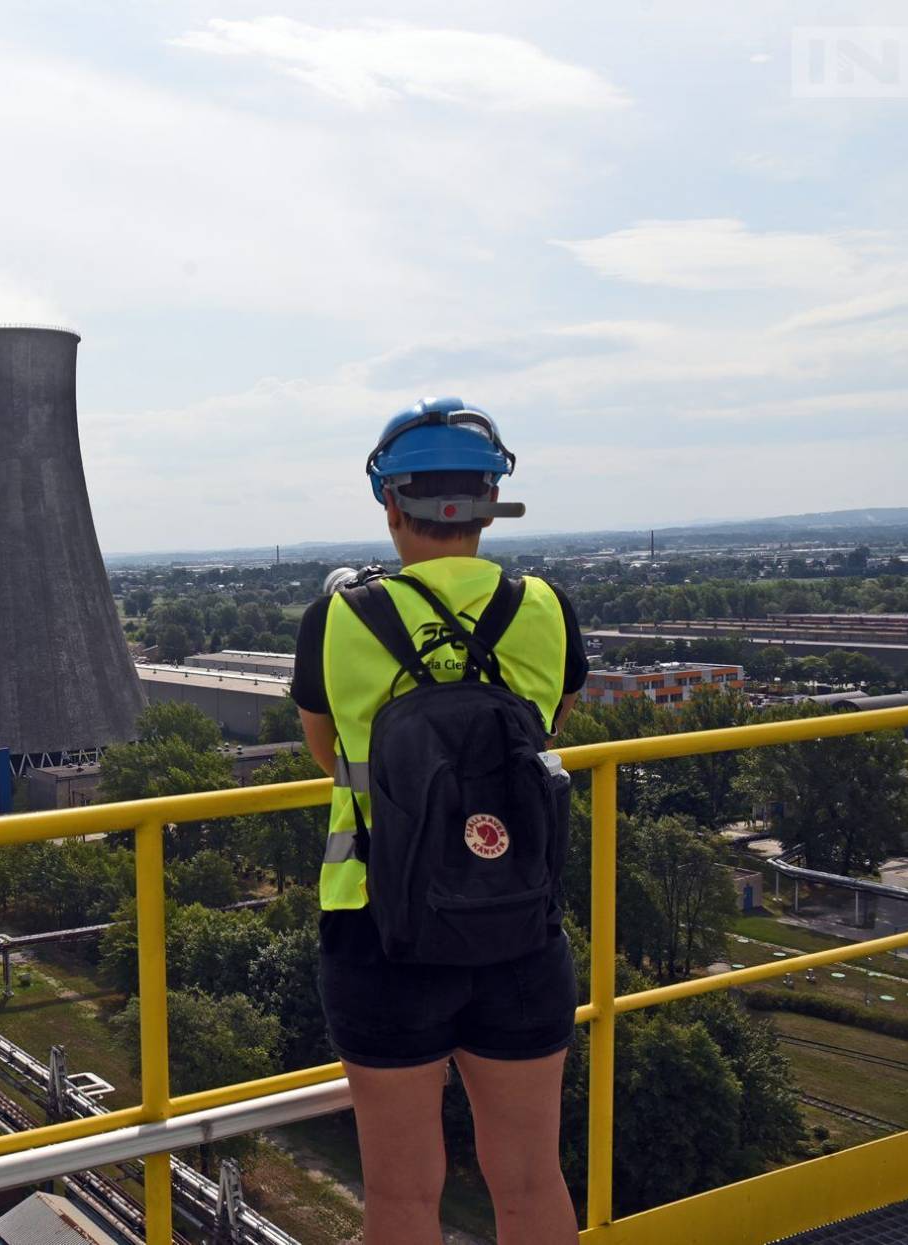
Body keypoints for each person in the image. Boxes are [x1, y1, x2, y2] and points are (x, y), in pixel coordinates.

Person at [289, 397, 587, 1245]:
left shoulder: (336, 620)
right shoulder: (547, 609)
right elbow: (548, 726)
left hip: (379, 926)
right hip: (518, 920)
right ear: (493, 501)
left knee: (404, 1194)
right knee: (531, 1180)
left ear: (392, 504)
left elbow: (330, 756)